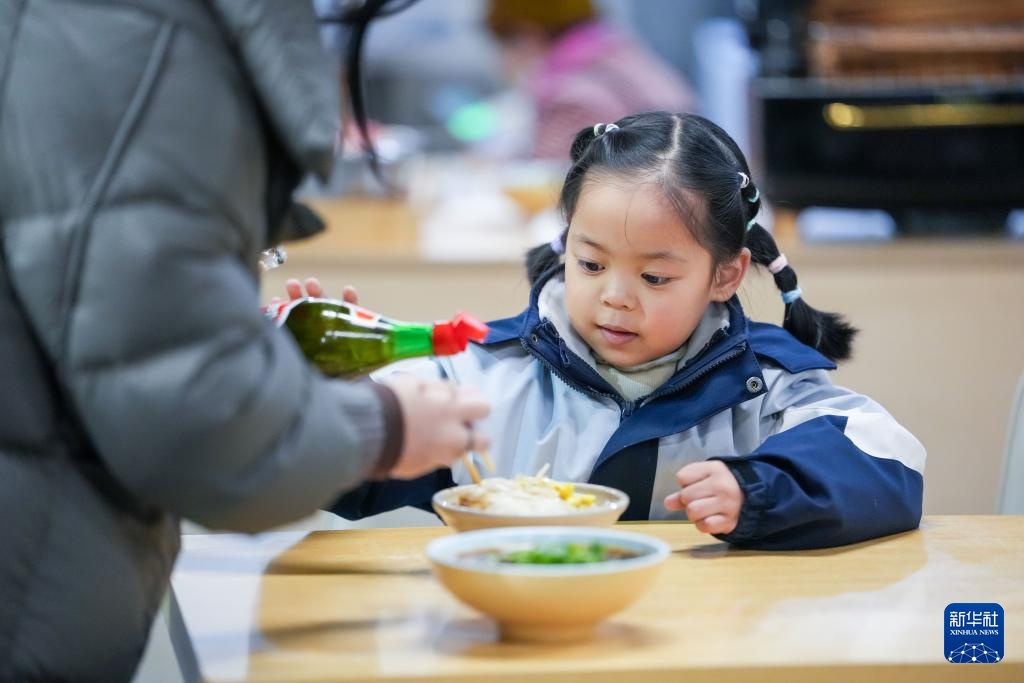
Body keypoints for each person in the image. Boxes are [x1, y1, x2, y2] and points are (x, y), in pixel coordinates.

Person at [0, 0, 487, 679]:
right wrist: (388, 425)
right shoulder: (152, 42)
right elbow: (195, 415)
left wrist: (247, 350)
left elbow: (123, 316)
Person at [331, 111, 926, 550]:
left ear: (725, 275)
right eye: (590, 265)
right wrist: (313, 384)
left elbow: (888, 458)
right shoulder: (481, 374)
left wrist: (760, 490)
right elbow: (329, 467)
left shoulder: (763, 386)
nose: (615, 297)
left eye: (655, 277)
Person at [485, 0, 698, 158]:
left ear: (528, 33)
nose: (505, 59)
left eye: (506, 44)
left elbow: (555, 188)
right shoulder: (624, 55)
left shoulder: (571, 96)